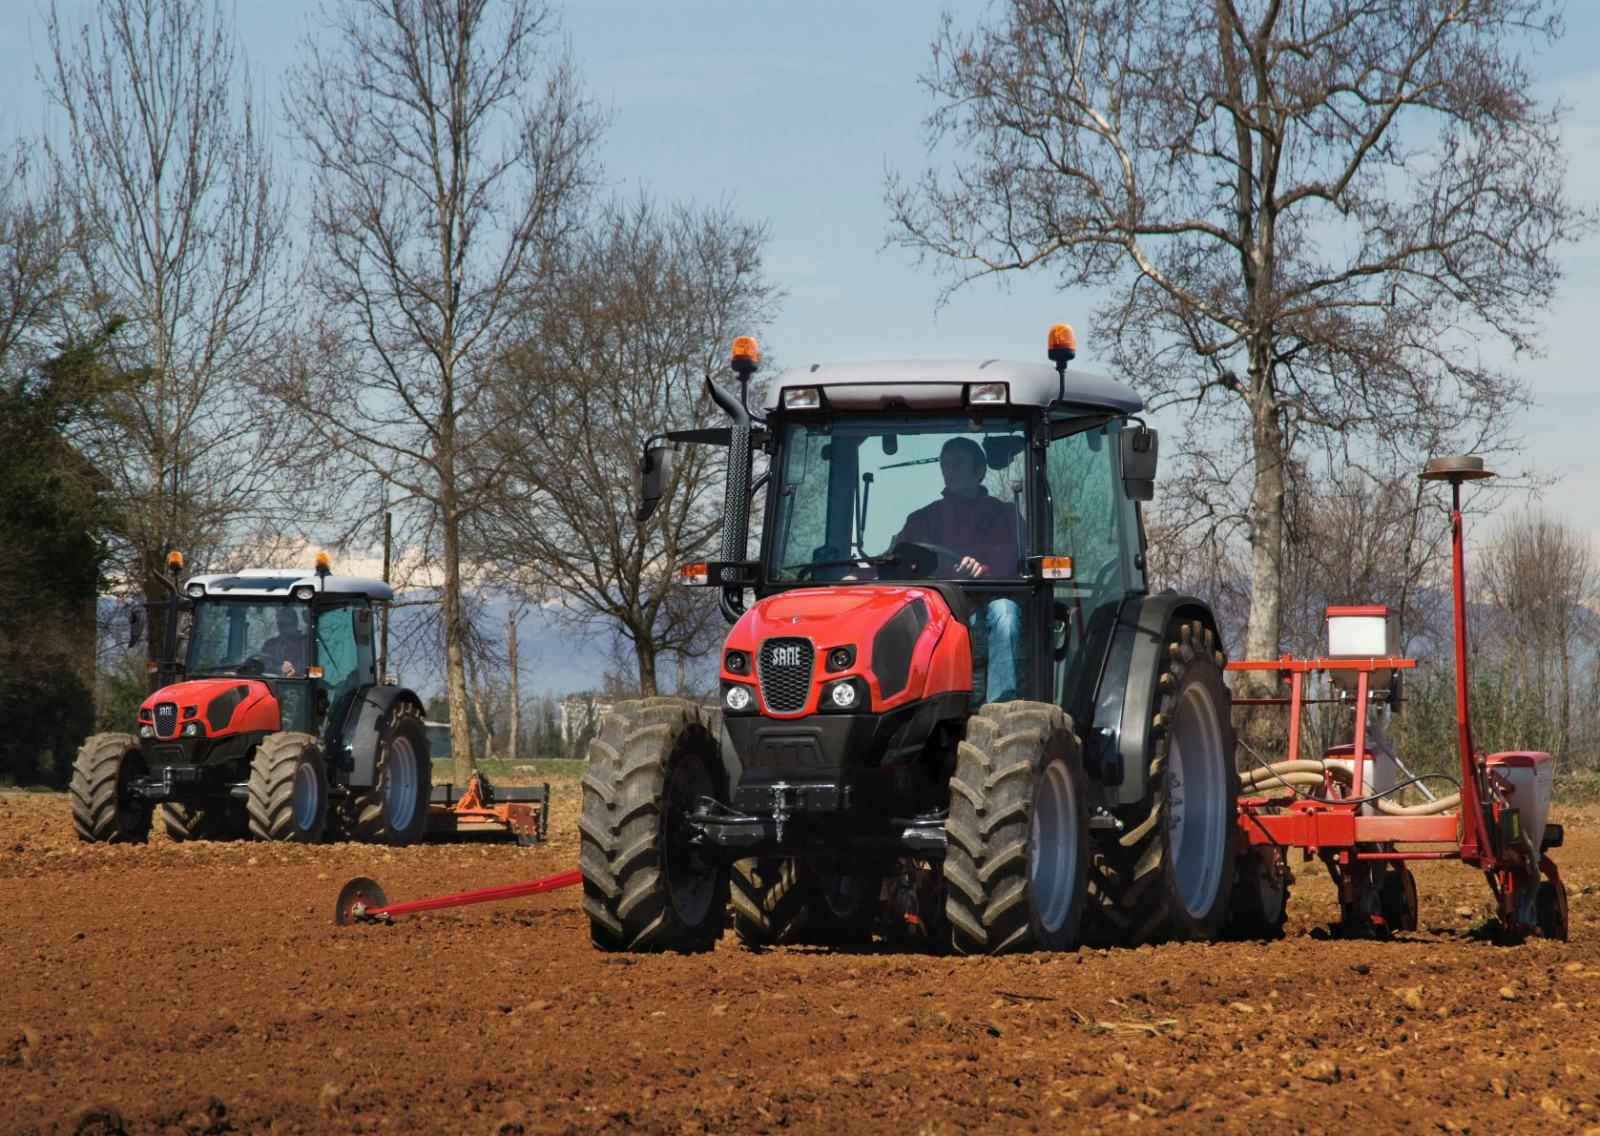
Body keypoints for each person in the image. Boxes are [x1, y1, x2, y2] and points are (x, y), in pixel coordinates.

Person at [891, 437, 1022, 702]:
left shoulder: (1004, 515)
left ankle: (1001, 706)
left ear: (979, 471)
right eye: (946, 463)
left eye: (959, 462)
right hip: (944, 606)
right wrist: (855, 574)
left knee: (1005, 614)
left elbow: (1014, 556)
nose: (951, 469)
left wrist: (982, 568)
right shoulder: (922, 519)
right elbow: (894, 560)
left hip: (991, 600)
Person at [259, 606, 309, 677]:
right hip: (272, 681)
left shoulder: (306, 642)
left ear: (296, 623)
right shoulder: (269, 645)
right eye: (281, 625)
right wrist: (278, 669)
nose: (285, 628)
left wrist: (294, 670)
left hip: (299, 681)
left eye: (289, 624)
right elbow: (263, 666)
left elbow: (310, 666)